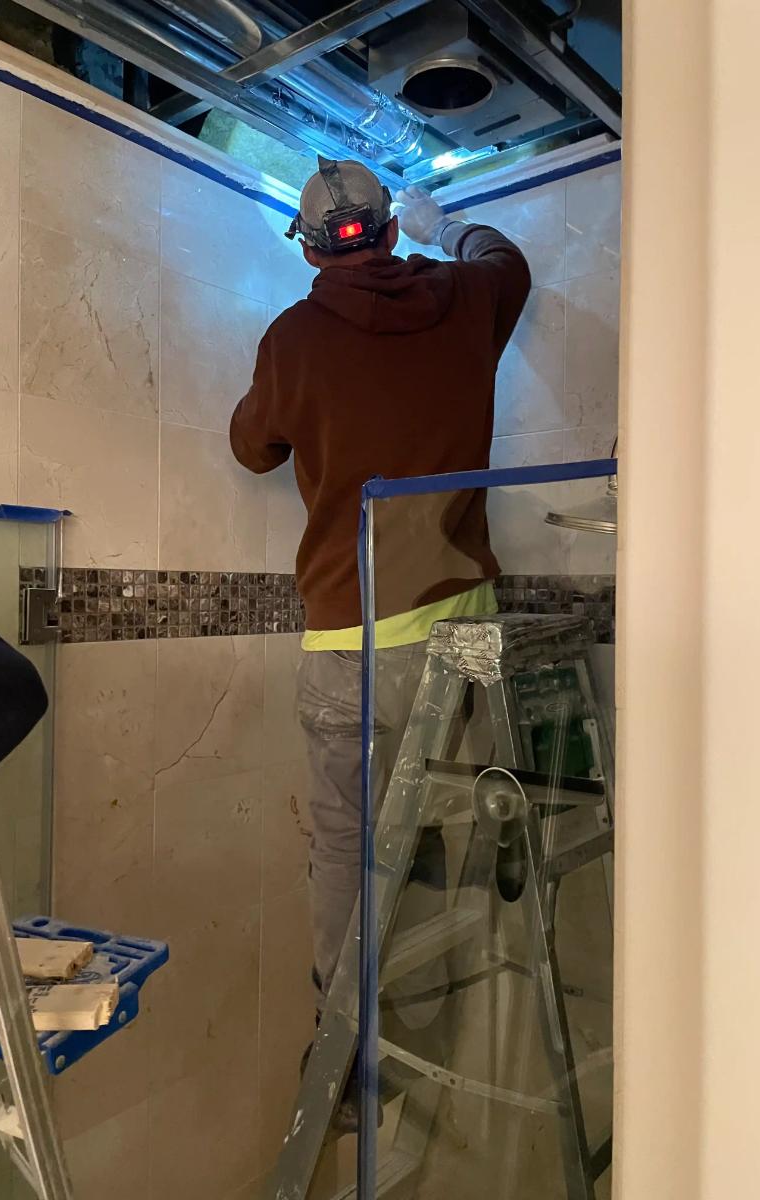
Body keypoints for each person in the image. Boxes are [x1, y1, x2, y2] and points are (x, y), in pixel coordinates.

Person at [229, 157, 530, 1125]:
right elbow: (509, 261)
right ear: (395, 229)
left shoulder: (293, 337)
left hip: (353, 645)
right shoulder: (467, 296)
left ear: (311, 250)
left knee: (345, 849)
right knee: (439, 827)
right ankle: (433, 1029)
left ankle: (355, 1051)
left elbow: (251, 447)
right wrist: (454, 230)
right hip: (465, 638)